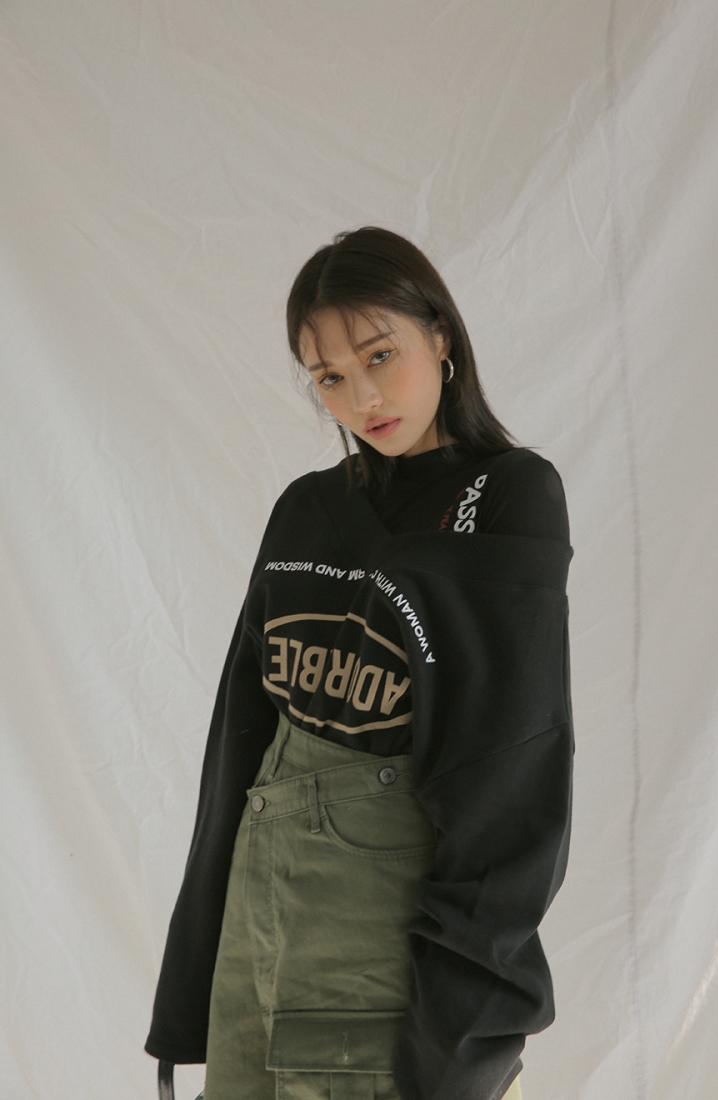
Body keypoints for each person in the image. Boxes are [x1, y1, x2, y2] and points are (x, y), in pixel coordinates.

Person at [146, 227, 574, 1100]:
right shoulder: (307, 508)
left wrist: (464, 1017)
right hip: (258, 907)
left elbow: (512, 764)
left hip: (378, 917)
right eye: (330, 377)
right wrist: (193, 968)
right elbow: (241, 731)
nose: (363, 397)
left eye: (381, 355)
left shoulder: (507, 495)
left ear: (440, 335)